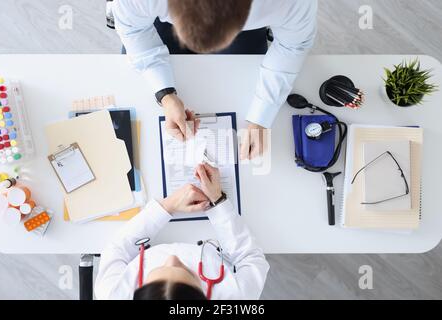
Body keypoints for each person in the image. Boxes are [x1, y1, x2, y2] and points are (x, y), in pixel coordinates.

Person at [112, 0, 318, 159]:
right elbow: (134, 29)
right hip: (159, 13)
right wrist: (164, 93)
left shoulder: (289, 3)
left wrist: (261, 116)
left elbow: (293, 46)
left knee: (240, 72)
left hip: (248, 25)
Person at [95, 163, 269, 300]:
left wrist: (167, 206)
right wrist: (217, 201)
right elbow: (250, 258)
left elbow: (117, 249)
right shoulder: (237, 296)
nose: (173, 259)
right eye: (187, 272)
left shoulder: (111, 293)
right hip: (208, 234)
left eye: (158, 269)